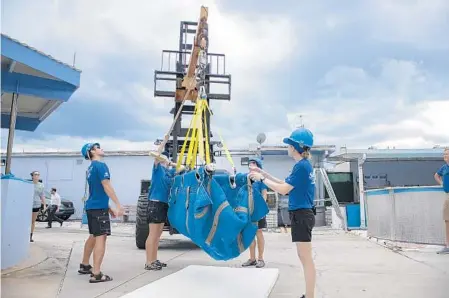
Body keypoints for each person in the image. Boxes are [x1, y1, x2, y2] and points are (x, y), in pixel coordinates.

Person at [249, 127, 316, 298]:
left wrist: (262, 179)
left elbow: (284, 189)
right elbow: (283, 182)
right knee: (304, 257)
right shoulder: (302, 166)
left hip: (302, 215)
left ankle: (310, 296)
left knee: (306, 258)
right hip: (301, 214)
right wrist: (264, 173)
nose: (287, 147)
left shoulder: (301, 166)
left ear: (295, 147)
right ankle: (309, 295)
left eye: (289, 144)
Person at [77, 143, 124, 283]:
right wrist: (118, 204)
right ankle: (96, 274)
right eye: (97, 146)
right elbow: (106, 186)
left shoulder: (90, 168)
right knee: (101, 238)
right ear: (91, 152)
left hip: (92, 206)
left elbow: (96, 191)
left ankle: (85, 265)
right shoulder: (100, 165)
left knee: (94, 235)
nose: (101, 148)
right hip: (97, 208)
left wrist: (109, 208)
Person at [145, 151, 177, 271]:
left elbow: (181, 168)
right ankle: (149, 262)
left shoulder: (168, 173)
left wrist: (172, 164)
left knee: (158, 235)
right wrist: (166, 138)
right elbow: (157, 154)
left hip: (164, 204)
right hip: (155, 203)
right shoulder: (157, 169)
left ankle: (154, 259)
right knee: (152, 234)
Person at [242, 157, 268, 268]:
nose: (251, 166)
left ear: (258, 167)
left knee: (259, 233)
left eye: (253, 164)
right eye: (250, 164)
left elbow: (264, 194)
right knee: (250, 234)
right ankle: (252, 259)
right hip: (248, 210)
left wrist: (261, 209)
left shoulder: (261, 179)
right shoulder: (246, 178)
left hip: (258, 210)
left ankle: (260, 258)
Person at [434, 148, 449, 254]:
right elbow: (436, 175)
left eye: (447, 153)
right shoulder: (444, 167)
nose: (445, 155)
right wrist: (441, 183)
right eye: (444, 153)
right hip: (447, 195)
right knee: (447, 220)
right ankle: (448, 246)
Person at [30, 171, 46, 242]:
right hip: (28, 204)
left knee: (32, 221)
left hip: (36, 204)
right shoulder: (29, 184)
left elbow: (42, 195)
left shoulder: (41, 185)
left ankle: (30, 235)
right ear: (32, 176)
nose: (37, 176)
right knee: (26, 221)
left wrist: (44, 204)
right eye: (35, 174)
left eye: (38, 174)